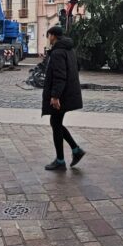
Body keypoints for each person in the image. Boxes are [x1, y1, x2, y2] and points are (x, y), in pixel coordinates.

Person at [42, 26, 86, 171]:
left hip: (62, 96)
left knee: (55, 123)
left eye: (49, 35)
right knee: (56, 123)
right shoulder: (69, 49)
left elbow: (60, 76)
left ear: (53, 36)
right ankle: (75, 150)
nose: (48, 38)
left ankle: (61, 160)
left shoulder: (58, 52)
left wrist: (55, 96)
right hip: (68, 93)